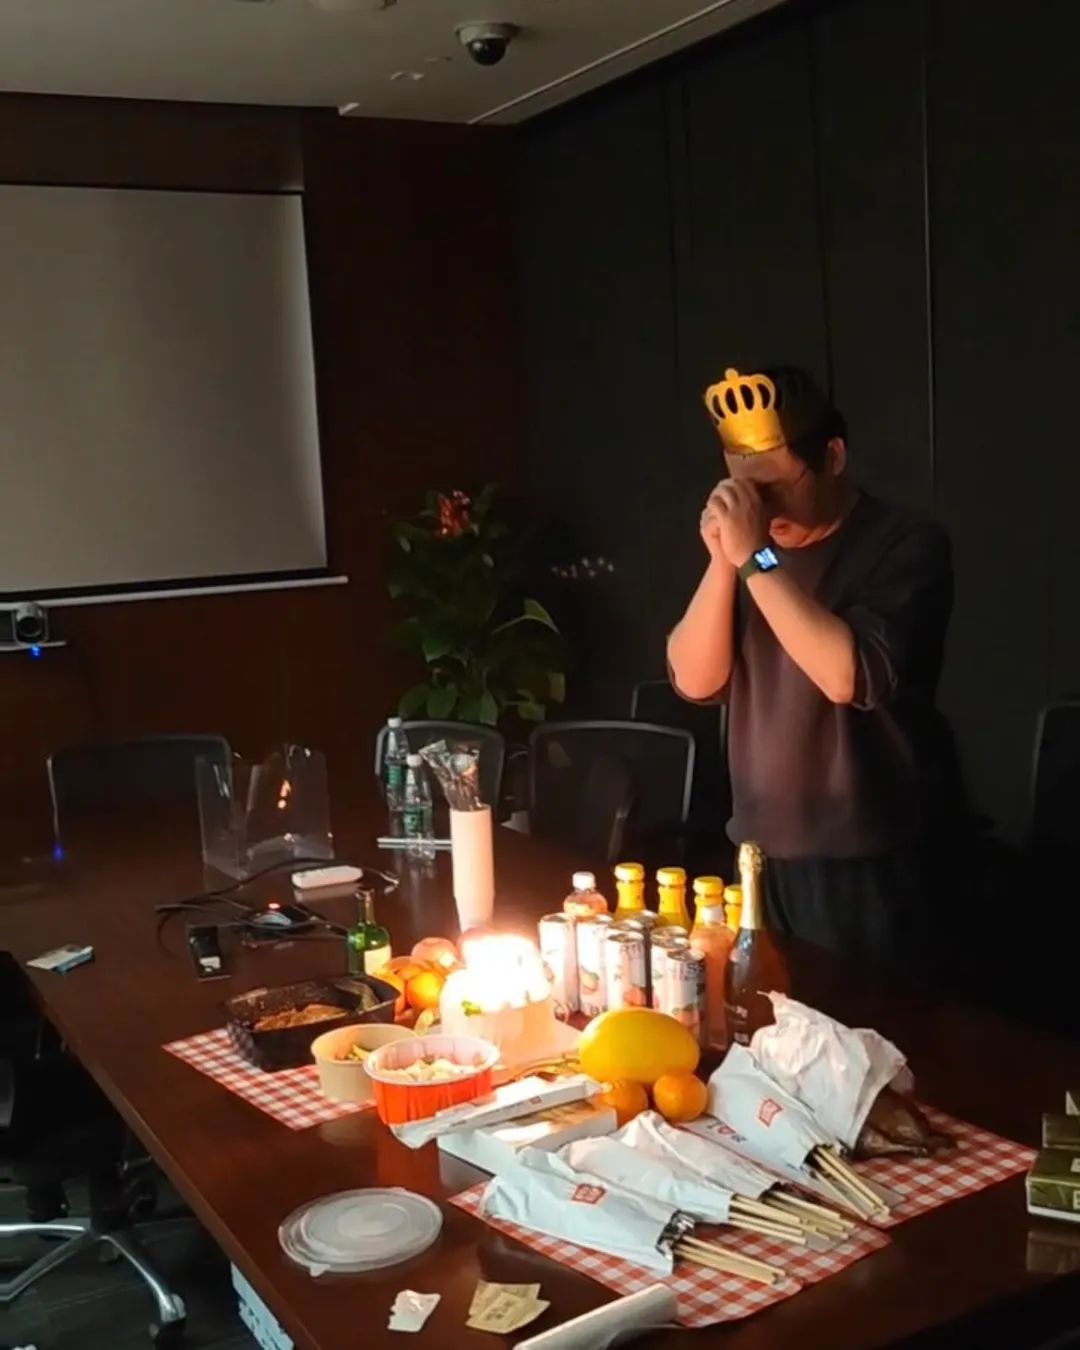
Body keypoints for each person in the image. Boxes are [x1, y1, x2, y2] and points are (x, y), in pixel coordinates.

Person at [667, 366, 956, 967]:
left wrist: (755, 558)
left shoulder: (905, 542)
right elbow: (695, 680)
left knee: (860, 1025)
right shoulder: (752, 556)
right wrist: (723, 561)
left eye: (775, 487)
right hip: (760, 854)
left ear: (833, 456)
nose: (761, 508)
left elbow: (847, 675)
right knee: (759, 1018)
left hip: (866, 864)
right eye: (744, 489)